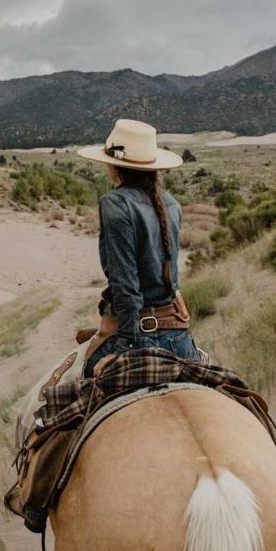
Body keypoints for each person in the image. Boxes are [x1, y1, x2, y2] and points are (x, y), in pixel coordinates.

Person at [77, 119, 197, 377]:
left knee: (69, 394)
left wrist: (123, 347)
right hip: (178, 337)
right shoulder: (171, 203)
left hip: (139, 337)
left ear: (114, 168)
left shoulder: (115, 203)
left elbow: (126, 286)